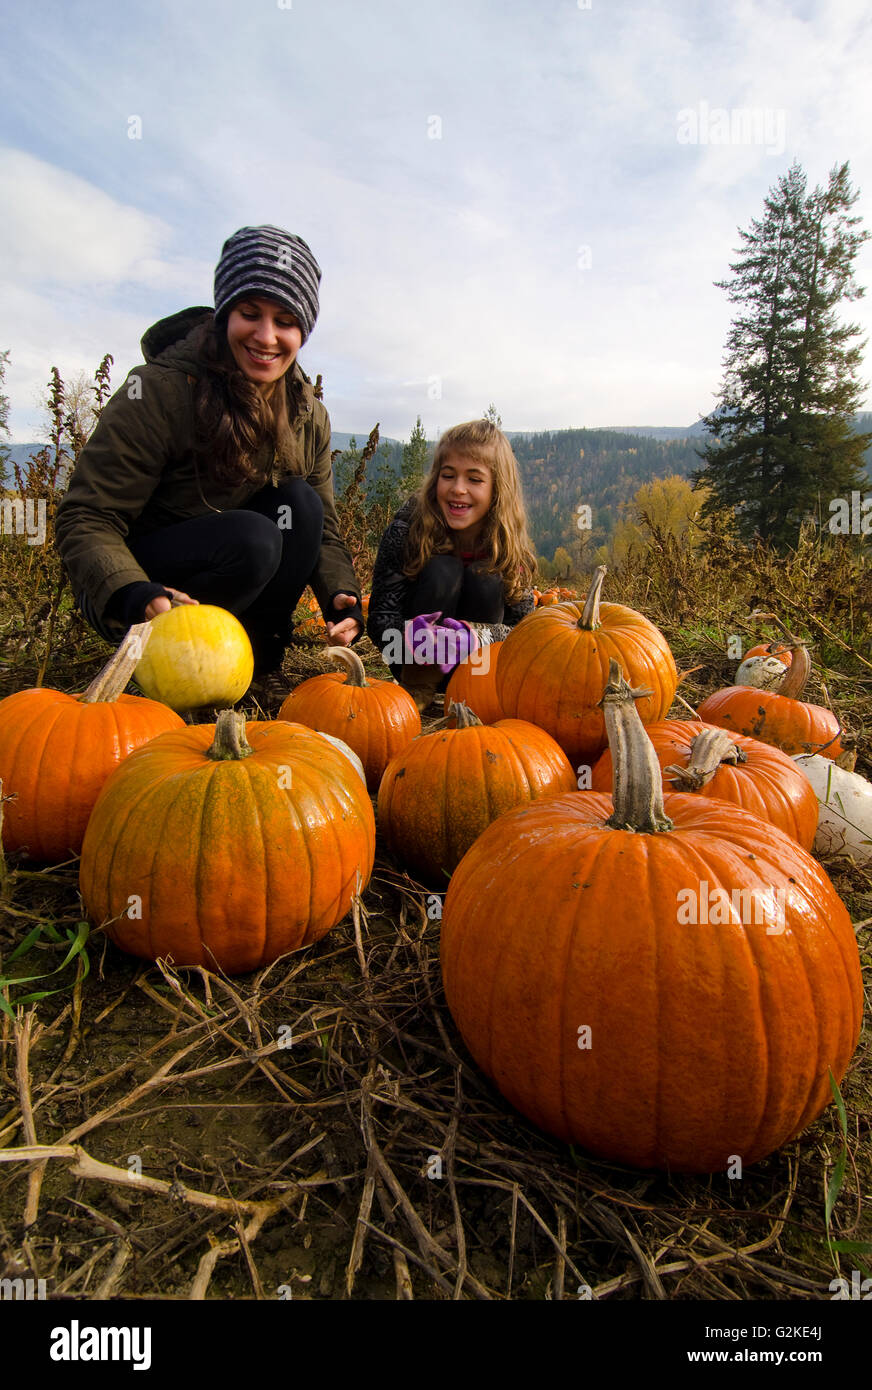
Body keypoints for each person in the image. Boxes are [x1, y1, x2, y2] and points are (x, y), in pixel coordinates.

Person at [55, 225, 364, 706]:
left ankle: (256, 666)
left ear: (303, 330)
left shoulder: (309, 416)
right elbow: (87, 516)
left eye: (285, 320)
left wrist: (340, 593)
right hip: (144, 578)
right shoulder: (158, 391)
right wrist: (133, 589)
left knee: (299, 504)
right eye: (249, 314)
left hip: (238, 557)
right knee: (253, 540)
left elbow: (321, 528)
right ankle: (173, 669)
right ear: (224, 315)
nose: (266, 336)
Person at [367, 419, 536, 711]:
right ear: (436, 480)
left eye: (474, 479)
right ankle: (418, 686)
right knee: (442, 570)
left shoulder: (507, 545)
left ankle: (478, 692)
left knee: (487, 577)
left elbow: (525, 634)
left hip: (479, 667)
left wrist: (475, 636)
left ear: (497, 489)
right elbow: (381, 617)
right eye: (448, 476)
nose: (458, 489)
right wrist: (409, 635)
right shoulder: (407, 528)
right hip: (414, 660)